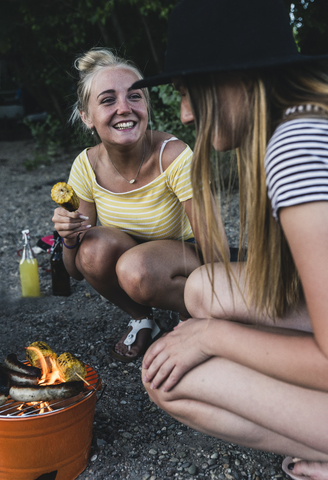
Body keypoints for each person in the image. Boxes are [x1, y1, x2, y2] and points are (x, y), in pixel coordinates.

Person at [132, 0, 328, 479]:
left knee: (173, 380)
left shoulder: (295, 148)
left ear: (232, 78)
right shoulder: (307, 118)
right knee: (202, 288)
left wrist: (213, 337)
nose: (184, 113)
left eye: (185, 92)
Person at [52, 47, 227, 363]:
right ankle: (143, 318)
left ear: (146, 104)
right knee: (91, 250)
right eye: (107, 100)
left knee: (135, 269)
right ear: (87, 117)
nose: (124, 108)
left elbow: (217, 248)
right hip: (132, 258)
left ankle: (192, 315)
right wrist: (68, 237)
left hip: (186, 255)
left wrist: (217, 309)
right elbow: (74, 271)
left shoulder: (174, 156)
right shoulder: (85, 166)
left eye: (135, 96)